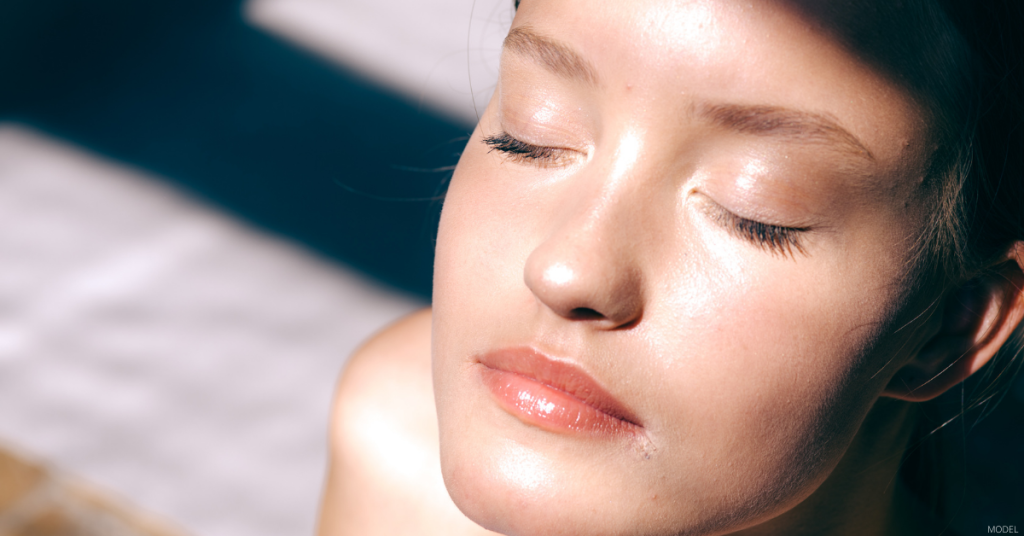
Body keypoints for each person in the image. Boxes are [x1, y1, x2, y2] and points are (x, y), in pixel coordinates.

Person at [317, 0, 1024, 534]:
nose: (566, 271)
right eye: (531, 135)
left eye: (753, 211)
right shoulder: (393, 436)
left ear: (948, 324)